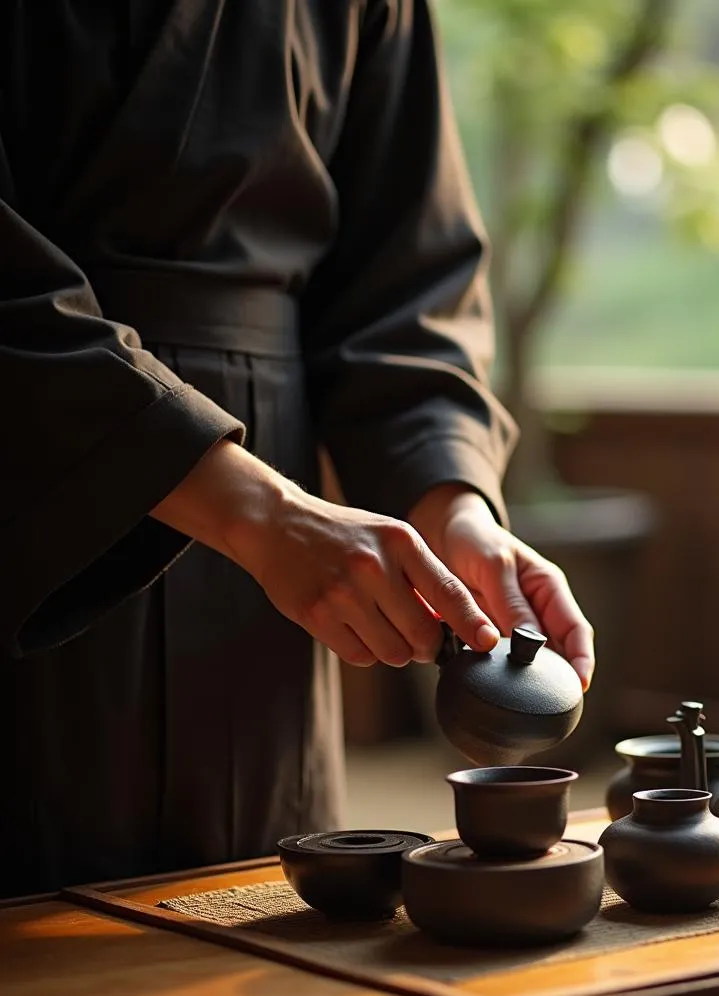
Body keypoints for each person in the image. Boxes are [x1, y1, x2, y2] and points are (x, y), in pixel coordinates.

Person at [0, 0, 594, 898]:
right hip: (38, 494)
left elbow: (408, 283)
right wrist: (256, 511)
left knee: (265, 916)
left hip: (279, 577)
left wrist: (450, 502)